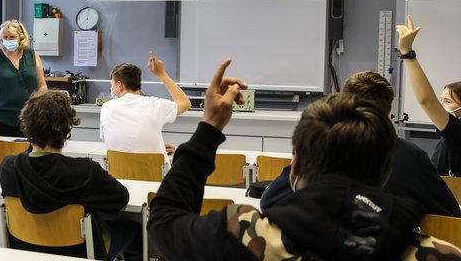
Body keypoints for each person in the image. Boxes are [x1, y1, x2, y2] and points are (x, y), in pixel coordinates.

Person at [147, 59, 461, 260]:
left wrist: (210, 129)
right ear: (384, 175)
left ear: (295, 165)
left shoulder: (244, 236)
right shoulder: (436, 255)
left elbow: (163, 220)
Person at [261, 71, 461, 217]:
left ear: (343, 100)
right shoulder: (410, 156)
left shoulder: (321, 144)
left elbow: (270, 201)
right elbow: (451, 217)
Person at [0, 90, 141, 261]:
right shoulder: (85, 172)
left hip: (28, 252)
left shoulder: (9, 168)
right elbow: (120, 199)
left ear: (26, 124)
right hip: (78, 254)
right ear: (67, 127)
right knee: (135, 232)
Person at [397, 16, 461, 176]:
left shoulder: (457, 133)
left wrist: (407, 53)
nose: (440, 105)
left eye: (447, 101)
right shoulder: (448, 138)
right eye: (441, 99)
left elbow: (427, 100)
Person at [100, 52, 191, 164]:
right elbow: (185, 103)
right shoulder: (155, 105)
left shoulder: (106, 108)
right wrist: (162, 74)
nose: (111, 89)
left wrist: (154, 145)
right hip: (154, 177)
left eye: (112, 85)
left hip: (119, 177)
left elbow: (121, 140)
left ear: (119, 85)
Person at [0, 20, 48, 137]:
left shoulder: (32, 55)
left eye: (12, 37)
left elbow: (42, 85)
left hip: (31, 119)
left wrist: (44, 110)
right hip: (1, 119)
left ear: (21, 38)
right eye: (5, 37)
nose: (8, 40)